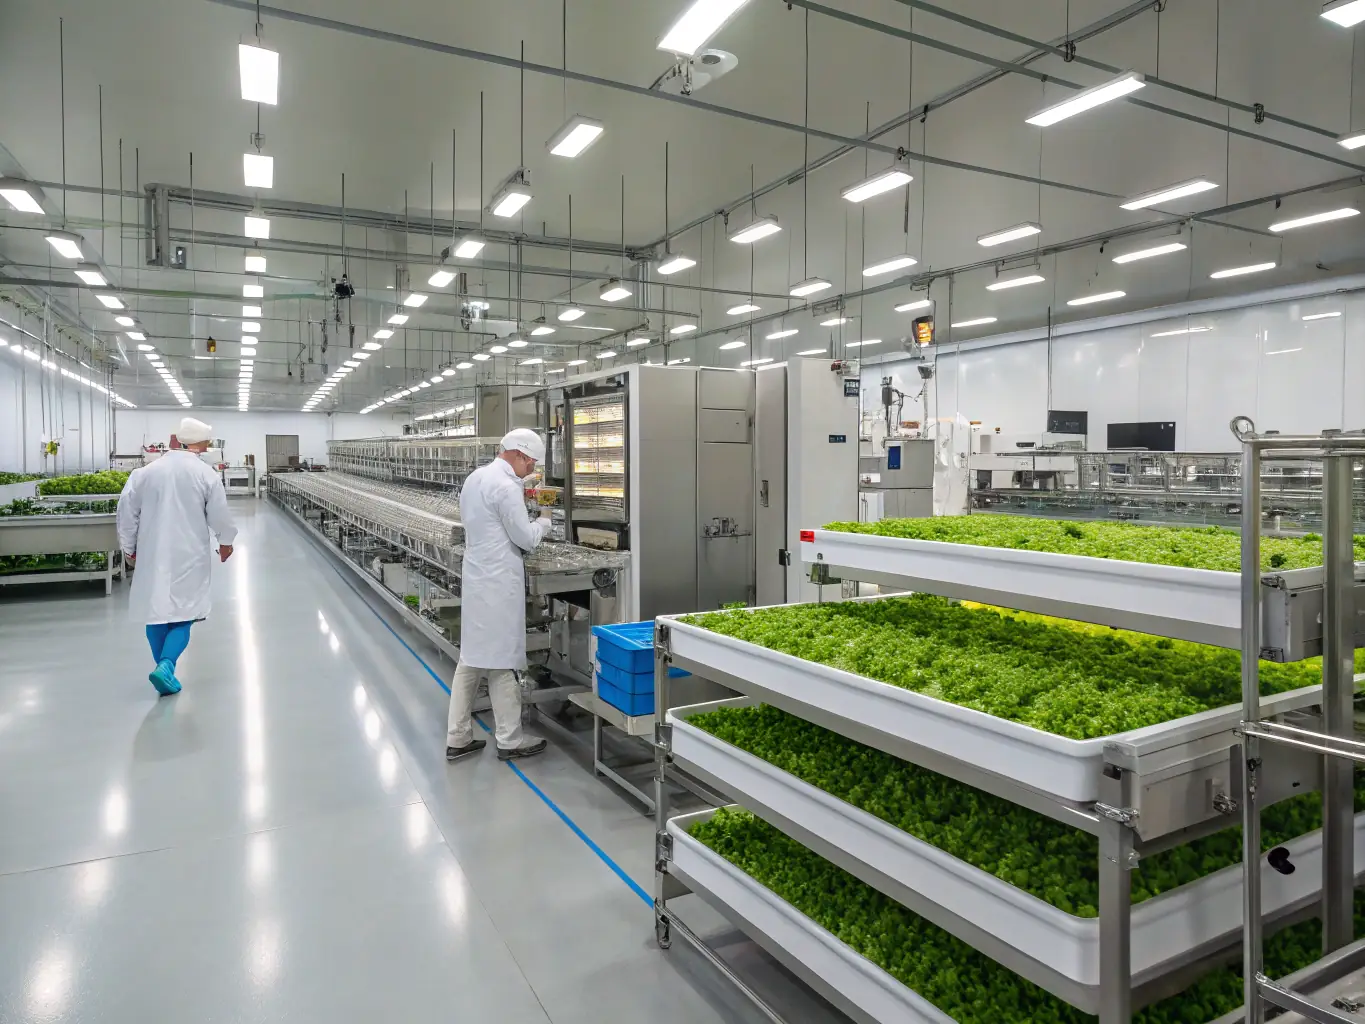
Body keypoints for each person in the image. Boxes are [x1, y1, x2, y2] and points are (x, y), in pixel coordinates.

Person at [446, 428, 554, 762]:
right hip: (498, 585)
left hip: (478, 578)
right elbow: (526, 539)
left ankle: (457, 737)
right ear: (519, 455)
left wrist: (524, 491)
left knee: (471, 659)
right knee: (502, 663)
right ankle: (510, 740)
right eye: (530, 463)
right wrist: (545, 519)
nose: (531, 469)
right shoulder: (506, 487)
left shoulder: (476, 478)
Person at [117, 416, 238, 696]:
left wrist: (129, 546)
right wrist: (226, 542)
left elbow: (127, 513)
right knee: (185, 612)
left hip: (152, 551)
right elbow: (219, 515)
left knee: (156, 611)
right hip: (189, 553)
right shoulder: (205, 474)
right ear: (200, 444)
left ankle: (164, 668)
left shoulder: (145, 473)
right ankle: (166, 665)